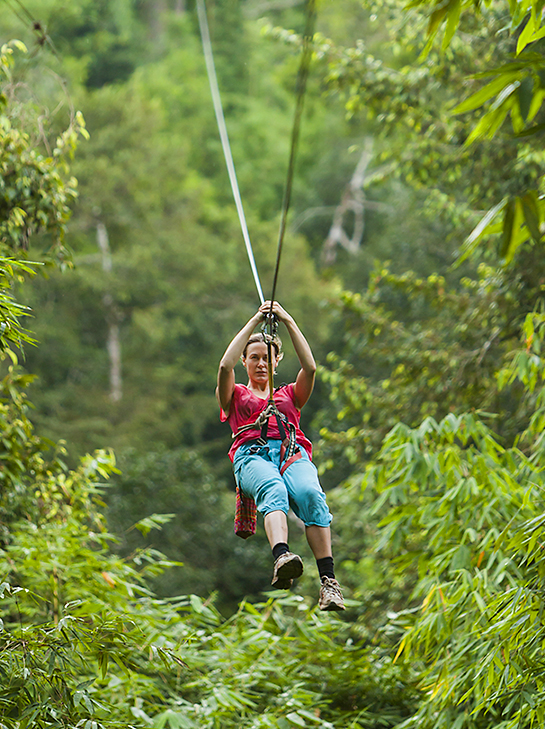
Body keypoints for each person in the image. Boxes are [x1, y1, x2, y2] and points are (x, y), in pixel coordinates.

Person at [216, 300, 345, 611]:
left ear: (276, 363)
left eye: (267, 359)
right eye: (254, 358)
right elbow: (224, 366)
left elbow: (311, 368)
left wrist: (288, 320)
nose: (261, 364)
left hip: (291, 453)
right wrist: (254, 321)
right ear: (245, 361)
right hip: (252, 457)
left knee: (310, 494)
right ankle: (282, 556)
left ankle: (328, 582)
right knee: (272, 488)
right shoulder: (235, 396)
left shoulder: (289, 395)